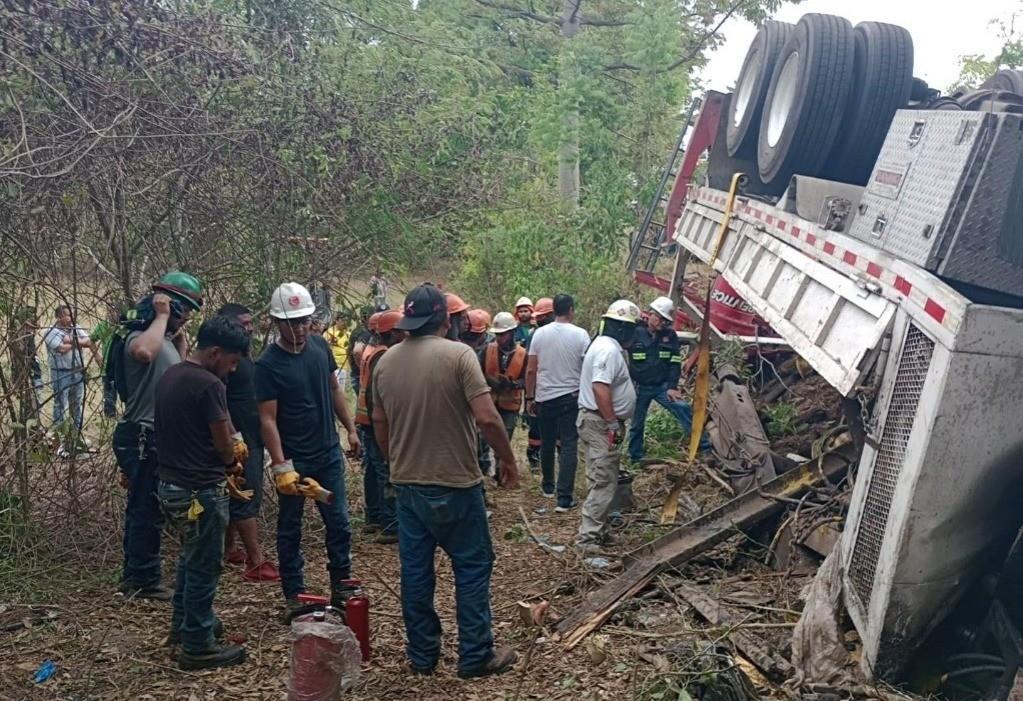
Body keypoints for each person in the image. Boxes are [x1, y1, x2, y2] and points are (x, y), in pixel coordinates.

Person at [372, 283, 519, 679]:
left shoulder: (385, 363)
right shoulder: (459, 356)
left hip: (408, 487)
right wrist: (509, 461)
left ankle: (423, 656)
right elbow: (488, 418)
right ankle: (475, 656)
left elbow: (380, 424)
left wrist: (396, 463)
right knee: (472, 567)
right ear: (445, 318)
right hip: (456, 484)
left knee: (416, 573)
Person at [256, 282, 362, 612]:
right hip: (295, 459)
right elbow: (267, 419)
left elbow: (334, 390)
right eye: (291, 322)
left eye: (304, 321)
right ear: (277, 323)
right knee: (290, 527)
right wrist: (280, 465)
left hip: (327, 452)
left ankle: (341, 585)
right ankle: (294, 593)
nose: (299, 329)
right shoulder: (268, 365)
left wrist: (351, 430)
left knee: (339, 523)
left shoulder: (319, 347)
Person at [155, 315, 250, 670]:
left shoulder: (173, 374)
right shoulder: (209, 385)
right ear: (214, 352)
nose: (234, 368)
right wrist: (230, 461)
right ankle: (198, 644)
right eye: (233, 360)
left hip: (170, 485)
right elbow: (223, 441)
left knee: (190, 558)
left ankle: (187, 623)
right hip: (200, 489)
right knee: (205, 566)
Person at [112, 272, 203, 601]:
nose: (186, 318)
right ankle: (141, 578)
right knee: (144, 508)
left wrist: (177, 335)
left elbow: (179, 372)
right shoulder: (141, 336)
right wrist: (163, 316)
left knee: (151, 507)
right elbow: (144, 355)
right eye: (184, 311)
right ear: (169, 305)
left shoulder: (164, 338)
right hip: (140, 434)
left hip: (156, 435)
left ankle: (141, 573)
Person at [218, 304, 280, 582]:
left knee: (235, 495)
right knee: (246, 495)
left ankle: (228, 550)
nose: (251, 327)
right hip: (241, 439)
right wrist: (233, 436)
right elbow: (218, 399)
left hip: (254, 434)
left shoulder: (243, 354)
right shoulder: (223, 359)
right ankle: (256, 562)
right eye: (245, 323)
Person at [576, 300, 640, 554]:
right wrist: (612, 422)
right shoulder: (608, 351)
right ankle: (588, 540)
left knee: (598, 477)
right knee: (604, 481)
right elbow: (600, 387)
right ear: (623, 329)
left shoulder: (605, 346)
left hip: (596, 421)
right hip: (601, 423)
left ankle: (599, 530)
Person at [525, 294, 590, 511]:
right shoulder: (581, 335)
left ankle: (547, 487)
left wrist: (529, 397)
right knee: (569, 443)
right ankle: (564, 498)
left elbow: (531, 368)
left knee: (547, 441)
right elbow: (587, 368)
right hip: (570, 398)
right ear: (571, 309)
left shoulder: (539, 334)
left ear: (554, 310)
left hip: (544, 398)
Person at [627, 296, 706, 462]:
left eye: (666, 321)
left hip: (662, 386)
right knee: (636, 423)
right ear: (652, 314)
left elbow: (674, 362)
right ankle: (635, 457)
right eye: (660, 319)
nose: (662, 324)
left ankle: (703, 447)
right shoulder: (635, 332)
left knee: (683, 408)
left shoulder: (670, 336)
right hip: (640, 386)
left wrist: (672, 386)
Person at [354, 309, 404, 544]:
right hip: (375, 424)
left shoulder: (371, 350)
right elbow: (378, 396)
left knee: (373, 470)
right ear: (393, 333)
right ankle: (390, 524)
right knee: (386, 471)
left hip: (366, 421)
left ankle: (373, 518)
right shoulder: (384, 356)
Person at [43, 304, 93, 435]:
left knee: (77, 403)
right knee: (60, 404)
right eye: (68, 315)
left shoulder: (76, 328)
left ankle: (76, 433)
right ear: (59, 317)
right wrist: (77, 342)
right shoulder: (50, 331)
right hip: (61, 372)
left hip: (77, 371)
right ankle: (59, 434)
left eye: (72, 314)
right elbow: (61, 348)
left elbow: (89, 341)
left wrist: (69, 340)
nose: (71, 318)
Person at [479, 312, 527, 441]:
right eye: (497, 335)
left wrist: (513, 385)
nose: (499, 338)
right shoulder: (487, 349)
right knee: (483, 442)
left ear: (512, 332)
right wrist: (489, 381)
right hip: (489, 404)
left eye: (502, 334)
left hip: (510, 407)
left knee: (504, 443)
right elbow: (476, 372)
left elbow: (527, 380)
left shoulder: (523, 354)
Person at [523, 297, 554, 471]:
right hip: (541, 386)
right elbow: (530, 367)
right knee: (537, 426)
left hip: (546, 387)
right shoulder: (534, 335)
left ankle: (541, 460)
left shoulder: (536, 335)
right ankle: (534, 457)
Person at [323, 313, 351, 390]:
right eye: (342, 320)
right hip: (334, 366)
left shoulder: (347, 333)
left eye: (345, 321)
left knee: (341, 389)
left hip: (344, 365)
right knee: (334, 388)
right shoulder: (329, 333)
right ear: (336, 321)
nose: (344, 322)